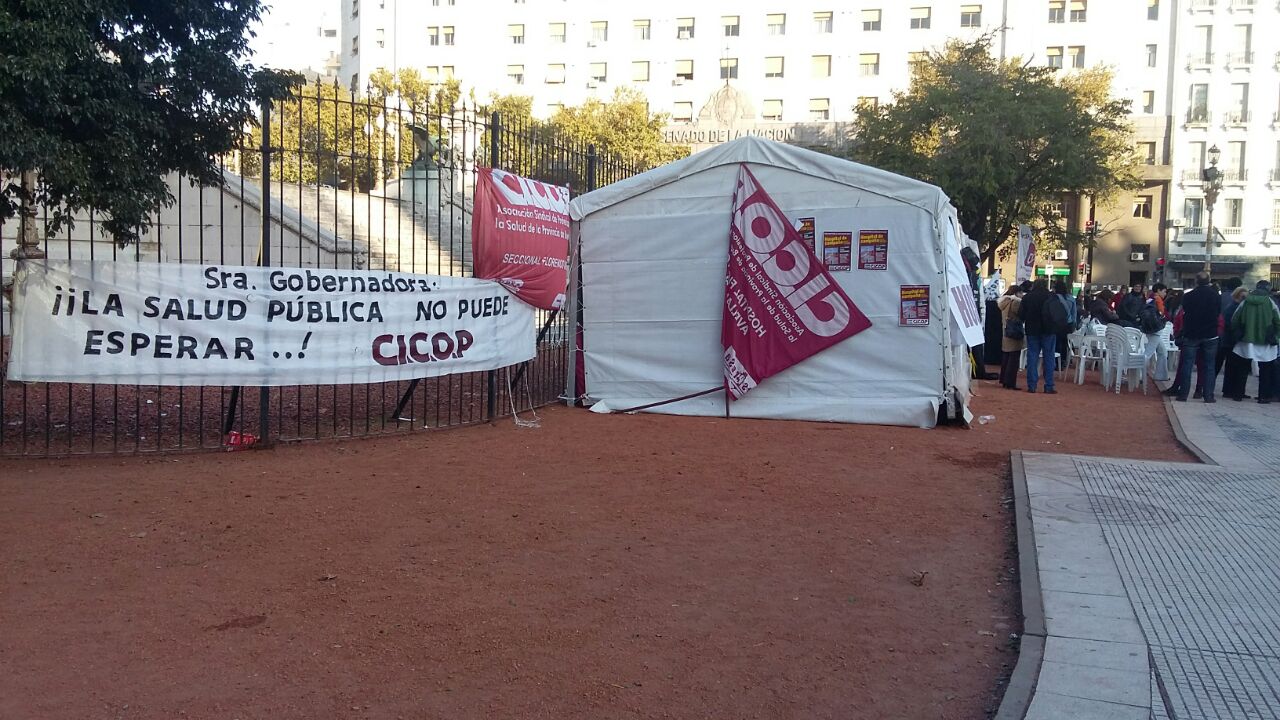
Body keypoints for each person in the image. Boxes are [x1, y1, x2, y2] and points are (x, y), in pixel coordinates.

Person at [1227, 280, 1280, 405]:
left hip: (1246, 339)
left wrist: (1238, 333)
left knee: (1242, 368)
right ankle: (1263, 397)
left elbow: (1235, 319)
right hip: (1266, 341)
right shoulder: (1270, 302)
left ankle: (1238, 394)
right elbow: (1278, 320)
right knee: (1265, 370)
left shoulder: (1245, 301)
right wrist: (1276, 336)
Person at [1173, 272, 1221, 403]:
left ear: (1196, 281)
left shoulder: (1189, 296)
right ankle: (1208, 395)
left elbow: (1185, 312)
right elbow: (1218, 312)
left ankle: (1183, 394)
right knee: (1209, 366)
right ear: (1209, 281)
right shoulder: (1215, 296)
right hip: (1210, 333)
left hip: (1191, 333)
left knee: (1187, 364)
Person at [1018, 279, 1059, 394]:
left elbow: (1021, 315)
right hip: (1048, 330)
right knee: (1049, 357)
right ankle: (1049, 385)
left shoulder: (1028, 297)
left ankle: (1032, 385)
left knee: (1032, 357)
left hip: (1032, 330)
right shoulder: (1051, 296)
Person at [1220, 286, 1253, 401]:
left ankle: (1233, 390)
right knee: (1233, 366)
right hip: (1231, 341)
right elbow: (1230, 324)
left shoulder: (1234, 307)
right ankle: (1231, 390)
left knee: (1233, 366)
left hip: (1231, 340)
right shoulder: (1234, 308)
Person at [997, 285, 1025, 389]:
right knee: (1013, 359)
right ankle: (1010, 382)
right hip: (1014, 332)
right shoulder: (1016, 302)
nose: (1022, 295)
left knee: (1006, 357)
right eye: (1021, 293)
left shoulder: (1004, 302)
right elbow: (1021, 315)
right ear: (1017, 293)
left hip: (1006, 331)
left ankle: (1004, 380)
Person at [1053, 280, 1077, 370]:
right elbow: (1074, 314)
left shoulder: (1054, 298)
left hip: (1056, 323)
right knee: (1065, 343)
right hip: (1068, 324)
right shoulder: (1071, 299)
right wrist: (1074, 325)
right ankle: (1063, 361)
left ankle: (1055, 361)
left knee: (1056, 343)